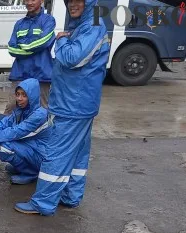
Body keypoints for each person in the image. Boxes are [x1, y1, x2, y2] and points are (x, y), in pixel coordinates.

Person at [15, 0, 110, 215]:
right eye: (69, 1)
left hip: (72, 105)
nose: (72, 5)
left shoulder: (92, 26)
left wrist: (61, 41)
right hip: (80, 103)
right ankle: (71, 196)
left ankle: (43, 203)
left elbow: (70, 58)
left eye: (78, 1)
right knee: (78, 155)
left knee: (56, 153)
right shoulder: (87, 24)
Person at [0, 78, 52, 185]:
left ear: (32, 97)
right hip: (33, 150)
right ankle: (24, 167)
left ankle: (31, 172)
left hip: (44, 157)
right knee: (5, 143)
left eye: (24, 95)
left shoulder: (39, 115)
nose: (19, 98)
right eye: (18, 94)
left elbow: (14, 132)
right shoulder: (20, 111)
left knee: (4, 147)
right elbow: (1, 125)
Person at [5, 0, 55, 118]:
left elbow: (43, 42)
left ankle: (43, 135)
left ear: (41, 1)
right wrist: (33, 48)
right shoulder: (19, 24)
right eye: (26, 0)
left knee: (42, 109)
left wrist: (23, 45)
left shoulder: (48, 20)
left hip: (41, 74)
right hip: (20, 74)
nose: (29, 2)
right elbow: (12, 49)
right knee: (10, 108)